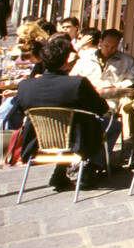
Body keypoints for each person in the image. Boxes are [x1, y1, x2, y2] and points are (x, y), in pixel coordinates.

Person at [15, 35, 114, 191]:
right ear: (66, 61)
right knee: (113, 124)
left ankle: (60, 171)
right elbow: (102, 108)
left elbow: (21, 112)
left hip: (39, 142)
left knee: (73, 125)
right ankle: (90, 168)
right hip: (76, 142)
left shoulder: (25, 86)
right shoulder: (77, 83)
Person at [71, 29, 134, 104]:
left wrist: (113, 86)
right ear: (100, 42)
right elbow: (73, 76)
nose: (109, 49)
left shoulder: (127, 61)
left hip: (113, 101)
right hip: (87, 98)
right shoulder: (86, 57)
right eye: (107, 46)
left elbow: (133, 80)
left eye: (114, 47)